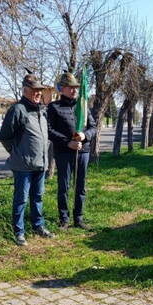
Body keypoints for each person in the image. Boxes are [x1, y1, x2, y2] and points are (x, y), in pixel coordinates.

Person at [0, 72, 55, 246]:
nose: (38, 93)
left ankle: (38, 226)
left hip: (40, 163)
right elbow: (5, 136)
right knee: (21, 199)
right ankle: (19, 231)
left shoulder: (42, 110)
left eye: (39, 90)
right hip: (23, 165)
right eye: (34, 90)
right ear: (25, 90)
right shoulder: (18, 109)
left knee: (38, 197)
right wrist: (17, 153)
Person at [47, 71, 96, 230]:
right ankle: (64, 218)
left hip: (83, 152)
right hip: (64, 152)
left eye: (75, 87)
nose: (74, 90)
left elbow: (93, 127)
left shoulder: (82, 106)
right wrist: (67, 143)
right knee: (64, 186)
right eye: (70, 87)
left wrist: (85, 135)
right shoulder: (54, 107)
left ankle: (79, 217)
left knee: (80, 185)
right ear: (62, 89)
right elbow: (49, 130)